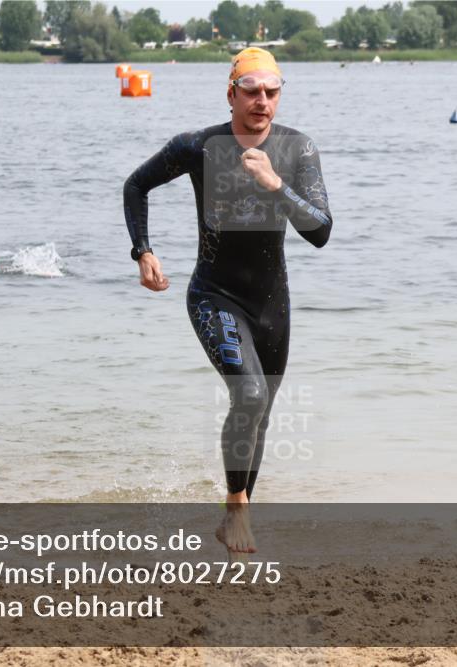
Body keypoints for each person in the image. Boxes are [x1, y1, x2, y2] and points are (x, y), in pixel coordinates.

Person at [123, 47, 333, 554]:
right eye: (251, 91)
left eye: (272, 92)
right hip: (214, 295)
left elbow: (321, 231)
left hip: (271, 305)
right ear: (231, 94)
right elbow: (136, 185)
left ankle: (234, 518)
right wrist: (143, 252)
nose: (262, 101)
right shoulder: (199, 146)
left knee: (259, 410)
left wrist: (275, 184)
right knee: (251, 395)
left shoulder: (297, 150)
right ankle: (237, 508)